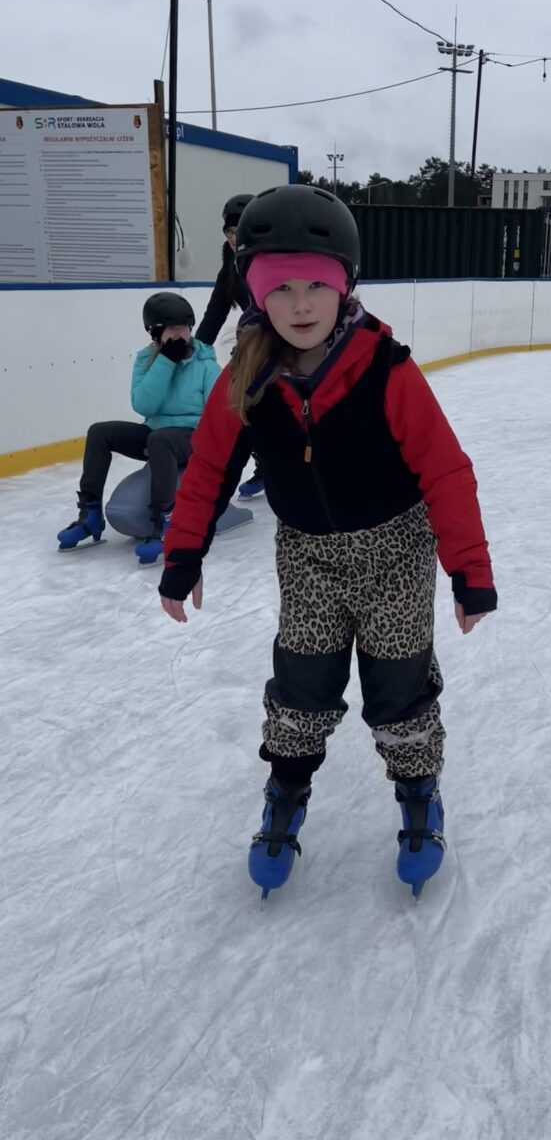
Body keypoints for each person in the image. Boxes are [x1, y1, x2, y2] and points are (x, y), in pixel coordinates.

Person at [157, 185, 497, 899]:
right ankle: (284, 793)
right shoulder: (245, 378)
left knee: (399, 688)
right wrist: (183, 554)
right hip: (308, 557)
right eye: (282, 287)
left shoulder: (386, 369)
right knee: (300, 685)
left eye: (317, 284)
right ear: (256, 293)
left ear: (345, 286)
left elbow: (444, 470)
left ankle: (417, 795)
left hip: (396, 553)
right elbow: (209, 470)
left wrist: (467, 570)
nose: (302, 303)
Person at [57, 292, 219, 564]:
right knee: (100, 432)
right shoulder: (147, 360)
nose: (179, 334)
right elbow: (144, 405)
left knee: (161, 439)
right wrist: (166, 362)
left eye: (184, 327)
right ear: (156, 333)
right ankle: (90, 513)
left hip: (193, 439)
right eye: (171, 329)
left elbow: (215, 419)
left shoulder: (206, 365)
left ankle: (165, 522)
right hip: (157, 435)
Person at [195, 193, 266, 500]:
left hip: (286, 346)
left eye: (240, 230)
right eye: (229, 232)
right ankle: (264, 466)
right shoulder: (233, 265)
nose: (235, 238)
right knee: (244, 406)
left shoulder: (273, 258)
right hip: (254, 347)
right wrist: (196, 348)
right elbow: (216, 310)